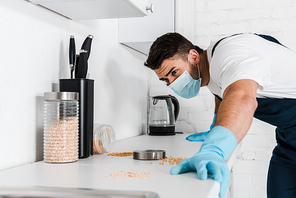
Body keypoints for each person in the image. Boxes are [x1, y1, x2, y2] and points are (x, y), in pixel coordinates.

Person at [144, 32, 296, 198]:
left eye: (174, 72)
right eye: (166, 80)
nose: (172, 83)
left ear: (193, 56)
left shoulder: (230, 55)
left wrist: (214, 149)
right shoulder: (211, 67)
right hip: (289, 140)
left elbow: (241, 96)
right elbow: (223, 94)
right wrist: (215, 127)